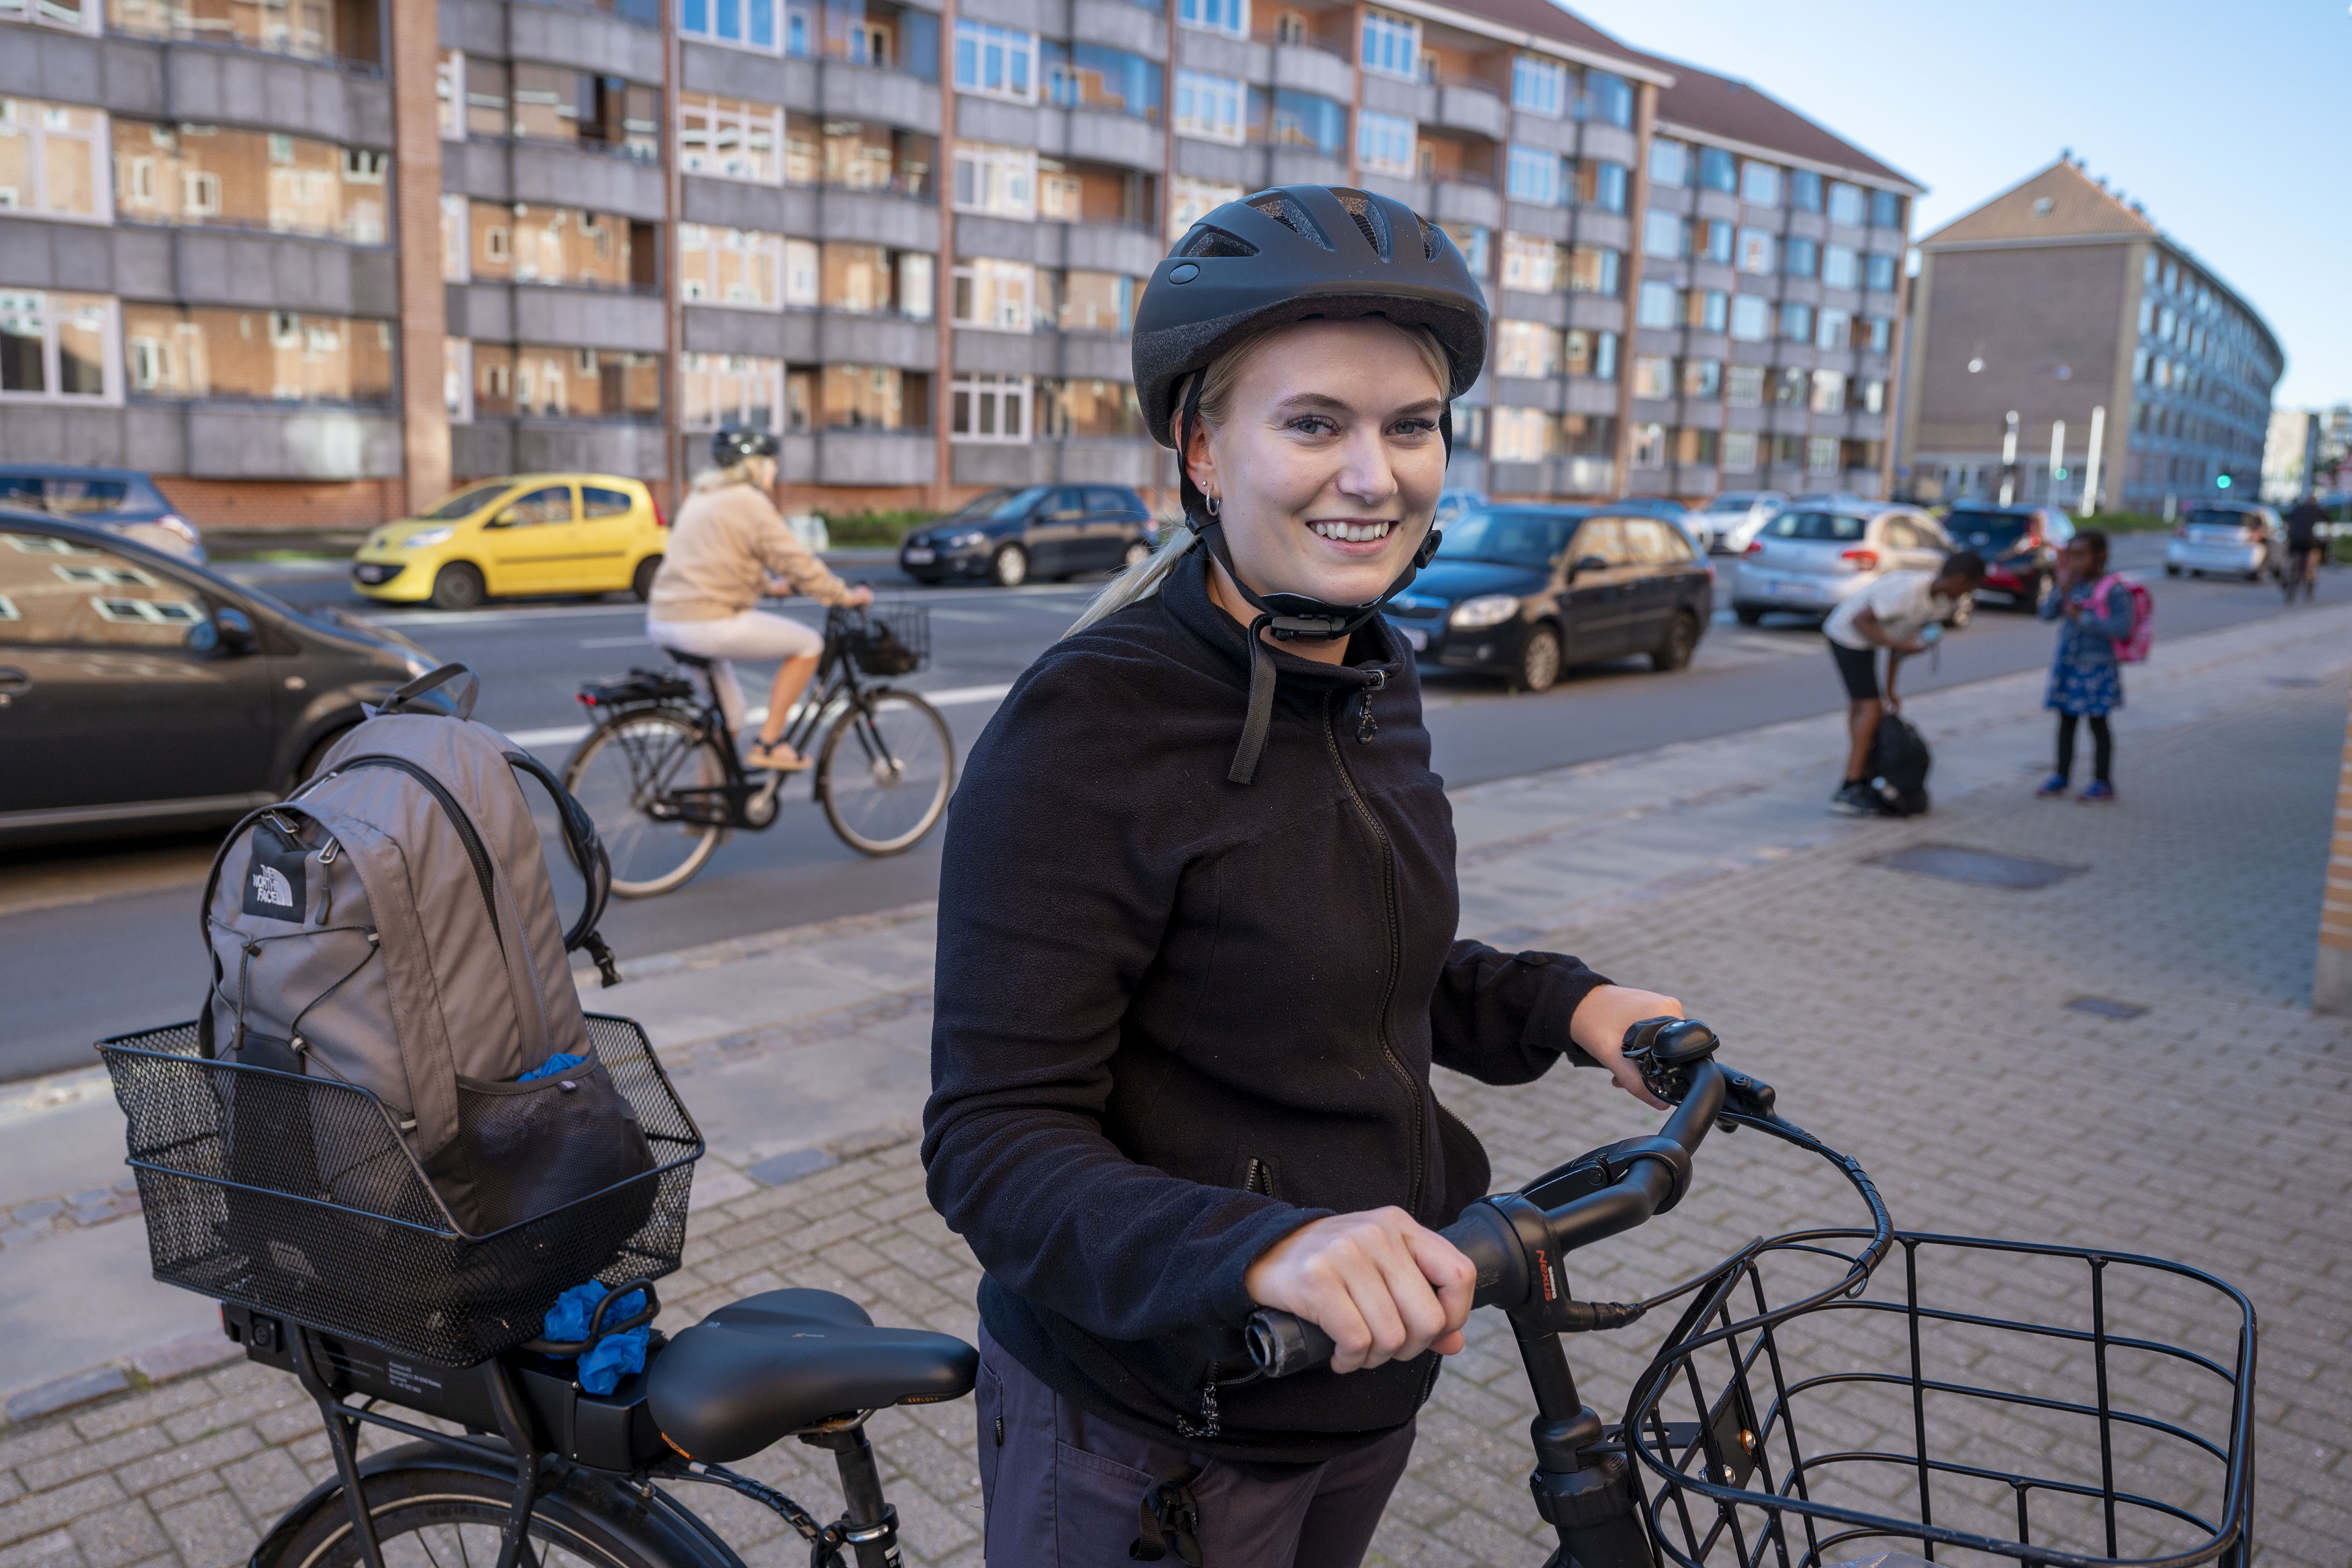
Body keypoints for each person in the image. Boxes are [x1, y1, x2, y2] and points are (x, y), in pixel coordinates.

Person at [922, 186, 1689, 1567]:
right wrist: (1258, 1253)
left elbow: (1340, 952)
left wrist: (1566, 1005)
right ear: (1202, 450)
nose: (1373, 474)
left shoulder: (1368, 672)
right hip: (1160, 1413)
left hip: (1363, 1380)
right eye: (1313, 422)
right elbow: (992, 1136)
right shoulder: (1092, 724)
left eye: (1410, 425)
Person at [644, 427, 871, 770]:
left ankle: (710, 812)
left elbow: (715, 557)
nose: (774, 471)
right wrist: (843, 596)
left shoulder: (702, 496)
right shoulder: (749, 502)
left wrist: (768, 586)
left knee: (732, 714)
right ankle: (769, 743)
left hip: (663, 620)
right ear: (754, 465)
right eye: (772, 463)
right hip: (705, 621)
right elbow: (795, 560)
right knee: (809, 644)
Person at [1820, 551, 1986, 816]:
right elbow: (1860, 620)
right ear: (1958, 579)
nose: (1968, 594)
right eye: (1970, 587)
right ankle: (1849, 787)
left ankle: (1861, 775)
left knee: (1866, 708)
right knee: (1870, 709)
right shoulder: (1908, 590)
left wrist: (1891, 690)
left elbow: (1898, 645)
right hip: (1847, 636)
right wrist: (1899, 646)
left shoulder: (1938, 604)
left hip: (1867, 641)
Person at [2036, 529, 2131, 803]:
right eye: (2071, 556)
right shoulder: (2071, 584)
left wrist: (2084, 619)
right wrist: (2060, 590)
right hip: (2069, 664)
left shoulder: (2113, 589)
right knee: (2066, 721)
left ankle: (2103, 781)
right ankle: (2061, 776)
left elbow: (2122, 627)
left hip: (2097, 668)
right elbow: (2046, 614)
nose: (2076, 562)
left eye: (2082, 555)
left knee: (2098, 723)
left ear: (2099, 555)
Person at [2282, 493, 2329, 604]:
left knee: (2291, 563)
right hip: (2310, 543)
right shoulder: (2319, 511)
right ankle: (2309, 590)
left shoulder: (2297, 509)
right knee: (2311, 567)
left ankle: (2289, 579)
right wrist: (2327, 542)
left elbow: (2288, 523)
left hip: (2294, 542)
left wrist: (2289, 538)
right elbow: (2326, 527)